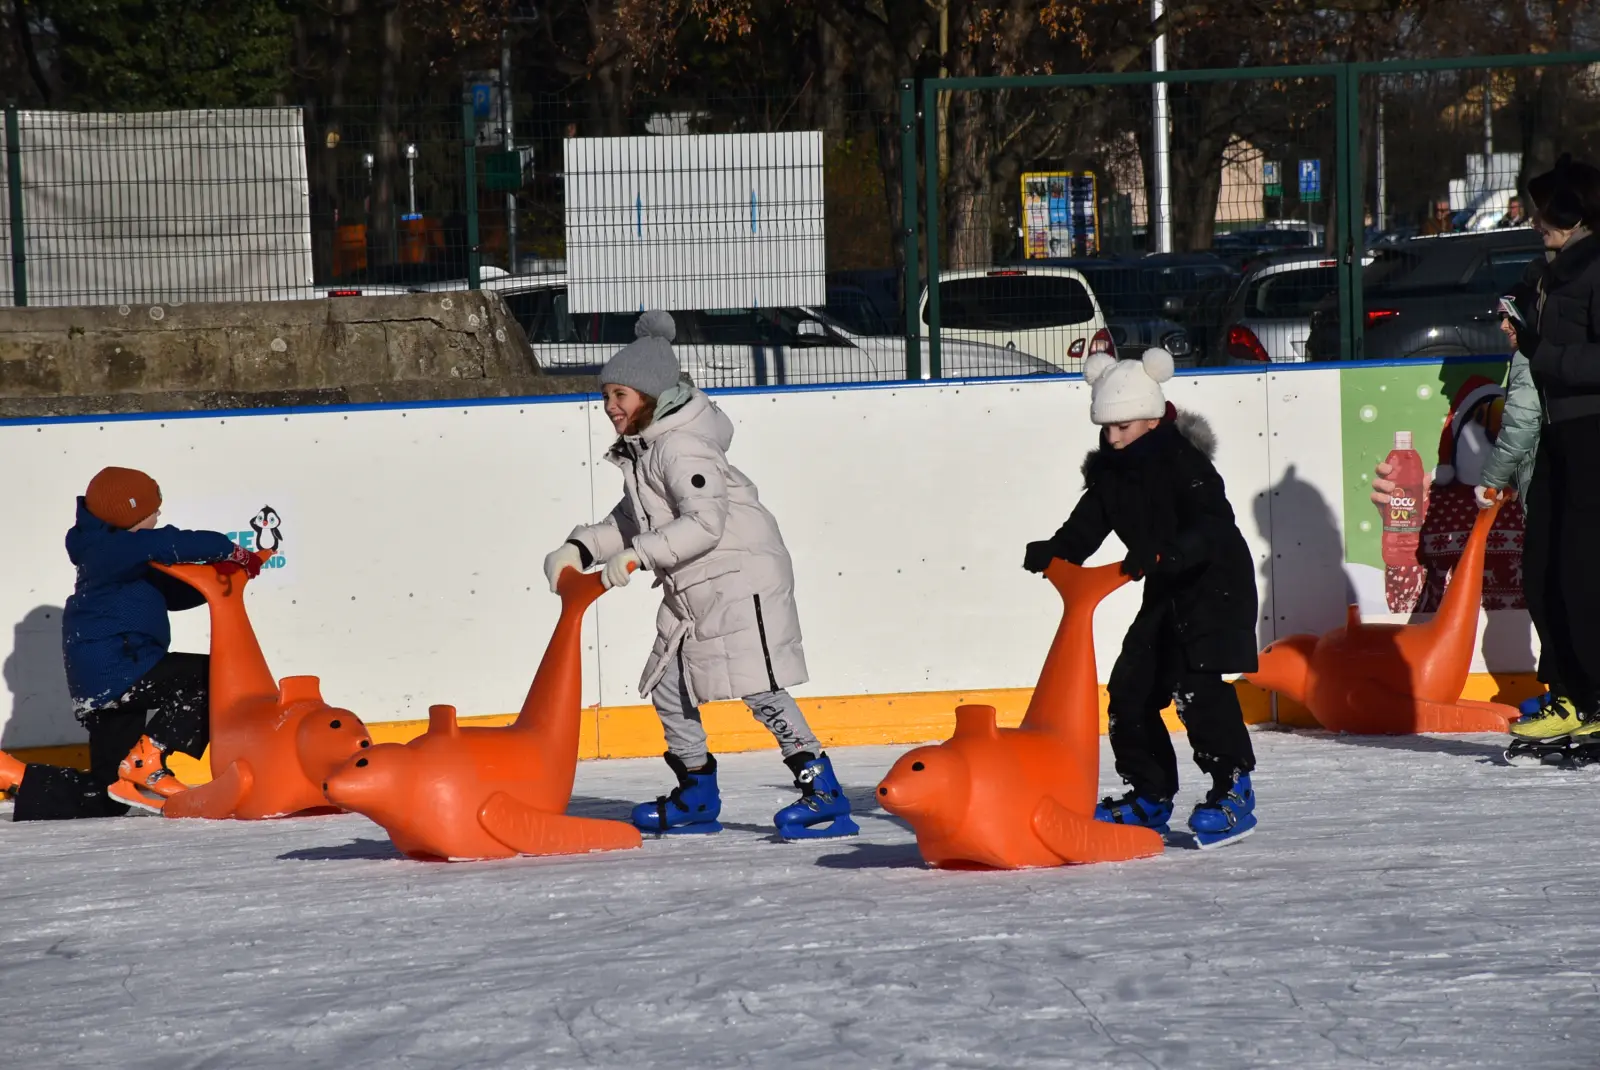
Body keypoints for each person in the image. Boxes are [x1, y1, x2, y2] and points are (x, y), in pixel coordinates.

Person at [541, 312, 855, 839]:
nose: (610, 407)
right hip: (690, 586)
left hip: (740, 579)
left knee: (761, 690)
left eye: (620, 395)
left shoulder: (681, 446)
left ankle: (823, 793)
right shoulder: (646, 451)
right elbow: (630, 519)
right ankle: (696, 794)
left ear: (652, 395)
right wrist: (579, 547)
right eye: (606, 396)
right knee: (669, 687)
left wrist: (639, 555)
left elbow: (705, 524)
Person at [1022, 348, 1260, 847]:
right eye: (1106, 428)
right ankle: (1148, 795)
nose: (1111, 437)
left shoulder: (1184, 461)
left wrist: (1167, 553)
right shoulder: (1113, 471)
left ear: (1151, 419)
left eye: (1122, 427)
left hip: (1215, 585)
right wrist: (1056, 551)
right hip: (1166, 586)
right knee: (1131, 691)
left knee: (1196, 688)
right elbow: (1089, 523)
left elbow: (1214, 527)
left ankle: (1232, 788)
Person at [0, 467, 259, 819]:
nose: (159, 516)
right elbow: (174, 543)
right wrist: (230, 550)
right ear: (131, 512)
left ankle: (16, 776)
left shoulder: (112, 552)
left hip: (102, 679)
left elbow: (168, 594)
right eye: (153, 511)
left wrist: (218, 582)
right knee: (214, 678)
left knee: (108, 795)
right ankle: (148, 758)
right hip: (122, 665)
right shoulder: (115, 549)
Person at [1506, 157, 1600, 754]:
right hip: (1556, 435)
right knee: (1540, 572)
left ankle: (1592, 697)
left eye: (1544, 211)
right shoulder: (1551, 270)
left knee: (1580, 574)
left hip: (1592, 434)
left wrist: (1540, 350)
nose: (1535, 221)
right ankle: (1569, 691)